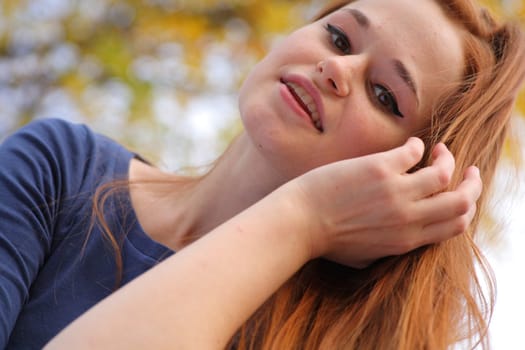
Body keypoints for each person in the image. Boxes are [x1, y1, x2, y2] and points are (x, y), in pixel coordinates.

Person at [0, 0, 523, 348]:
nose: (337, 70)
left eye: (385, 94)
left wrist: (305, 220)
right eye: (339, 38)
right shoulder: (60, 168)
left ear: (415, 179)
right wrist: (303, 217)